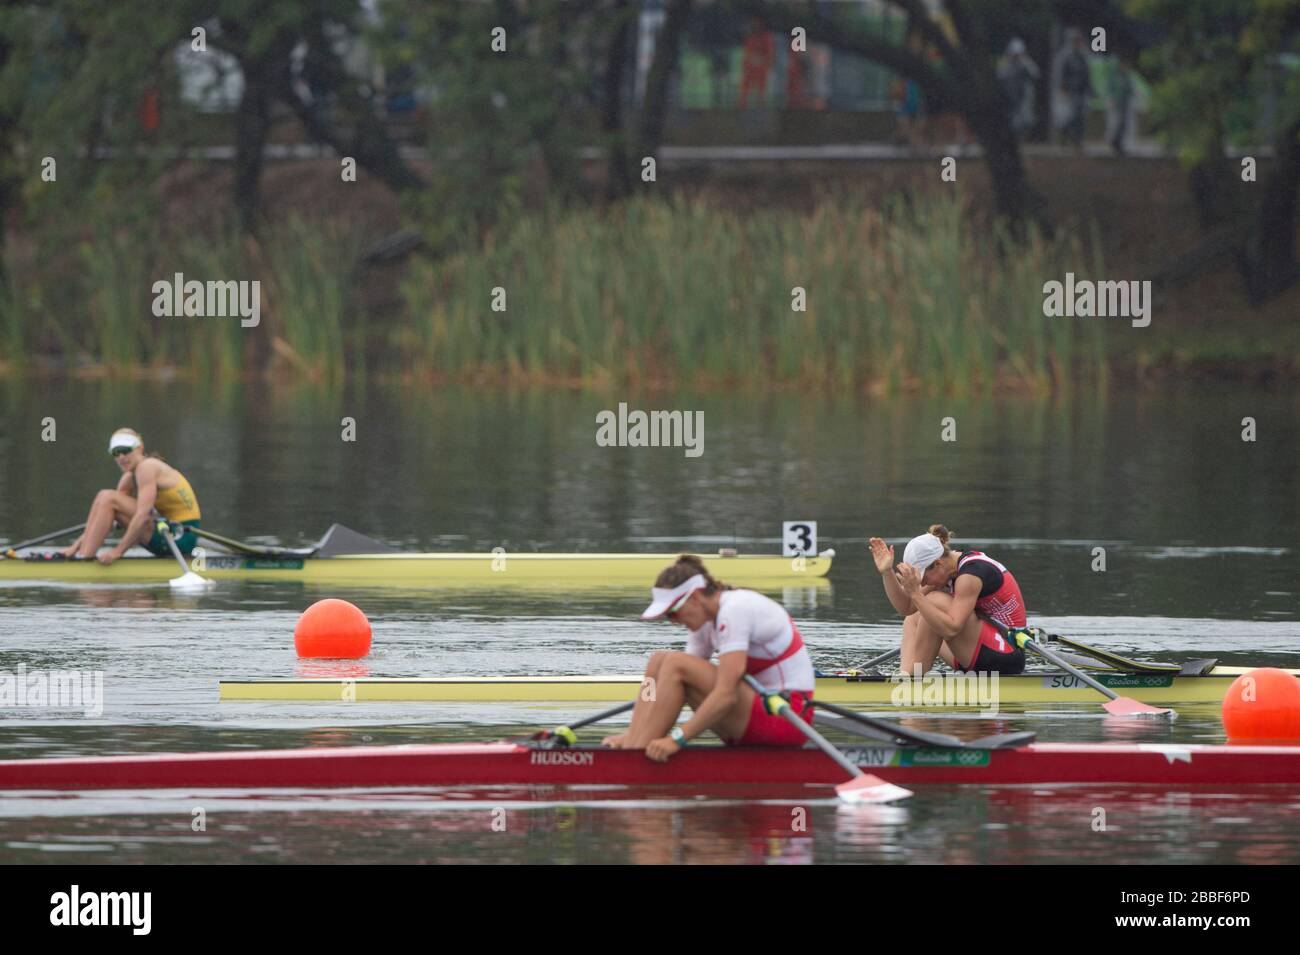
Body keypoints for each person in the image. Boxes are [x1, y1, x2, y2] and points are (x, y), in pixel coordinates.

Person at [604, 555, 815, 762]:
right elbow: (666, 685)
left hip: (788, 718)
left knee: (674, 663)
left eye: (673, 613)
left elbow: (726, 695)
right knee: (657, 662)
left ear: (695, 597)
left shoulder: (735, 609)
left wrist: (677, 739)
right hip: (755, 713)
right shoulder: (704, 621)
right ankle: (635, 741)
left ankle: (635, 756)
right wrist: (632, 732)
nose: (673, 622)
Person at [868, 525, 1027, 676]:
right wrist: (887, 572)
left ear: (937, 563)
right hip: (978, 650)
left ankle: (914, 677)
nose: (922, 583)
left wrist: (916, 593)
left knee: (932, 600)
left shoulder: (970, 574)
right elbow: (906, 607)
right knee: (914, 616)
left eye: (923, 577)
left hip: (1005, 656)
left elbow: (952, 629)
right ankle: (906, 674)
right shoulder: (948, 567)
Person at [60, 428, 202, 565]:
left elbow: (143, 515)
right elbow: (103, 515)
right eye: (116, 453)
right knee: (103, 497)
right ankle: (81, 553)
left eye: (126, 451)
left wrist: (118, 552)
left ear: (140, 448)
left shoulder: (147, 467)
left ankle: (84, 559)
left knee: (108, 497)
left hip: (180, 537)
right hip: (165, 532)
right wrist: (76, 545)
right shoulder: (129, 477)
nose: (121, 457)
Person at [998, 38, 1040, 138]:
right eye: (1014, 54)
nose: (1016, 56)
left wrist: (1025, 60)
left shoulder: (1025, 63)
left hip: (1023, 97)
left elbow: (1036, 74)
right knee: (1012, 122)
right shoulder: (1005, 63)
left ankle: (1022, 138)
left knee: (1026, 120)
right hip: (1009, 97)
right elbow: (999, 75)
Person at [1058, 30, 1092, 149]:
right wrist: (1063, 89)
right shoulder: (1067, 57)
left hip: (1081, 91)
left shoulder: (1083, 57)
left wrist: (1090, 90)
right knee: (1071, 117)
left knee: (1080, 117)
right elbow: (1063, 75)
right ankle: (1066, 137)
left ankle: (1078, 140)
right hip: (1071, 91)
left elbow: (1087, 75)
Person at [1108, 60, 1134, 155]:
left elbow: (1130, 89)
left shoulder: (1127, 77)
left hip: (1125, 104)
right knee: (1116, 124)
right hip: (1116, 103)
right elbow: (1111, 89)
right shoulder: (1115, 76)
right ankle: (1115, 142)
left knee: (1124, 124)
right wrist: (1112, 99)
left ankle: (1119, 143)